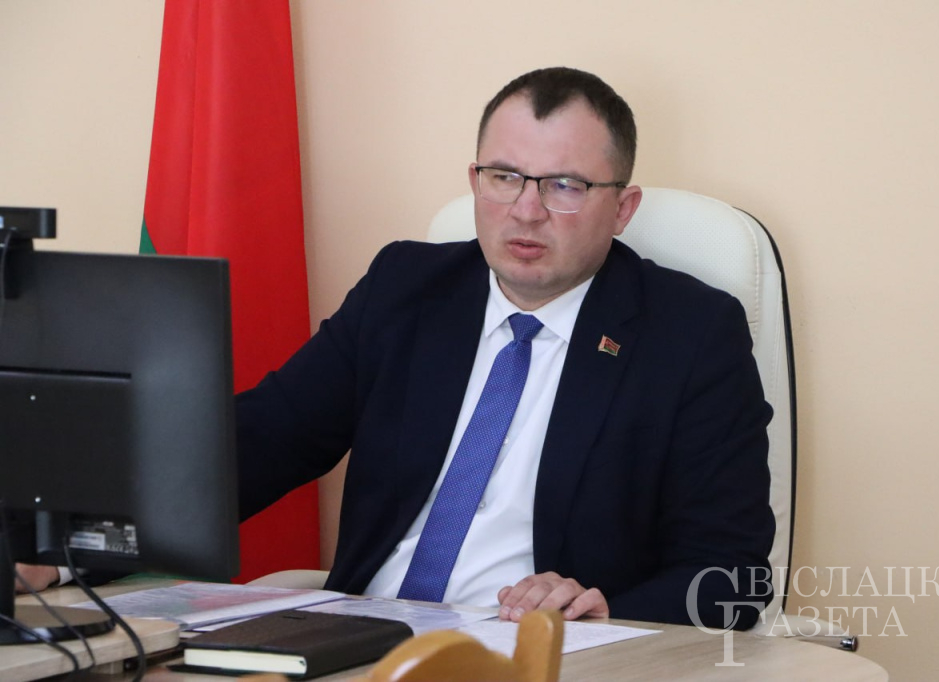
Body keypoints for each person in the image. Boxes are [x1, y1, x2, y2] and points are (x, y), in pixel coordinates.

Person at [237, 66, 775, 629]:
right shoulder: (404, 289)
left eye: (564, 185)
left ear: (623, 208)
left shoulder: (690, 335)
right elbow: (265, 438)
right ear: (475, 181)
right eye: (504, 177)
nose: (526, 210)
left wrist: (603, 612)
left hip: (538, 651)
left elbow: (733, 573)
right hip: (360, 640)